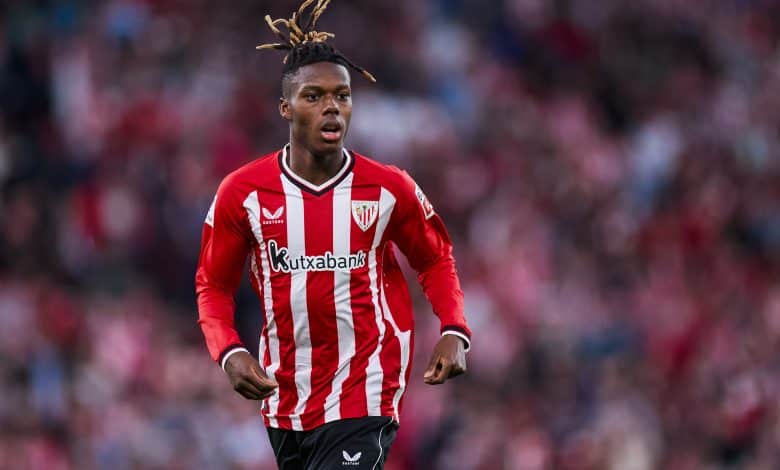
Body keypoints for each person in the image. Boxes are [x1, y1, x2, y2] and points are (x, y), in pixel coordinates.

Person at [195, 1, 472, 468]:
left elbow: (435, 258)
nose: (331, 108)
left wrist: (454, 330)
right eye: (314, 96)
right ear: (286, 107)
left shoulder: (389, 188)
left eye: (342, 96)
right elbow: (213, 285)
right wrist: (229, 351)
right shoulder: (242, 193)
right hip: (286, 395)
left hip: (366, 388)